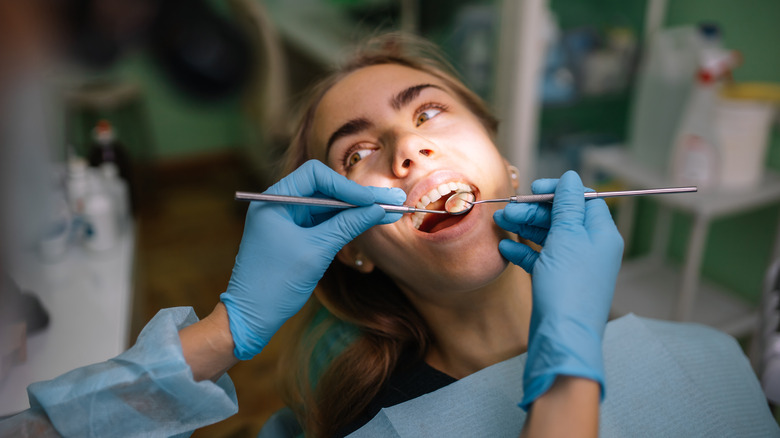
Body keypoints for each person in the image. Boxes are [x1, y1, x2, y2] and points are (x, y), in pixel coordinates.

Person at [0, 33, 775, 438]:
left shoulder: (711, 362)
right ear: (352, 243)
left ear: (505, 164)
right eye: (358, 152)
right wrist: (223, 335)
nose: (408, 150)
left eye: (430, 112)